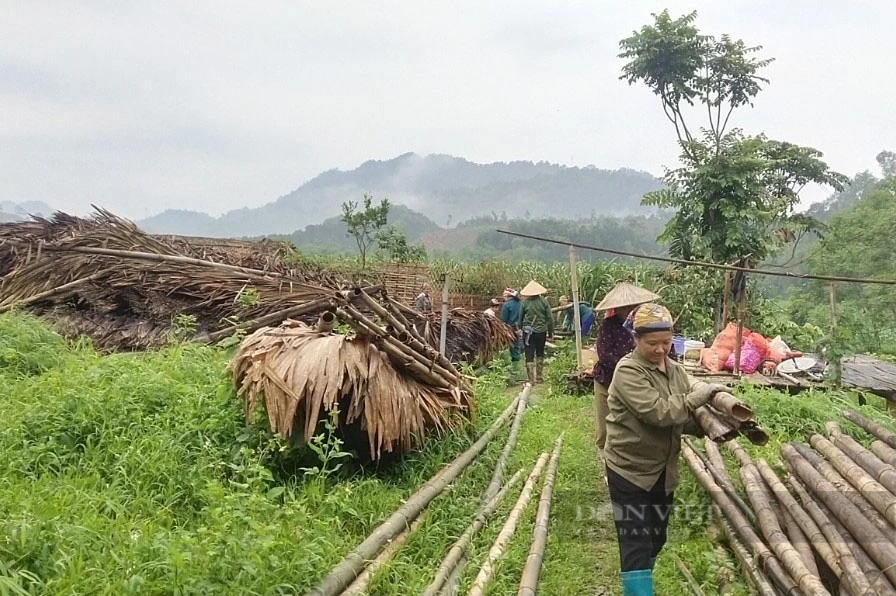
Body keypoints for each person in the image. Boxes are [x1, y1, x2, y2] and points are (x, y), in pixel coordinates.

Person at [604, 303, 726, 595]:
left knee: (656, 538)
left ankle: (641, 582)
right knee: (636, 542)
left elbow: (682, 418)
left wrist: (713, 426)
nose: (660, 350)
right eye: (652, 343)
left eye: (666, 343)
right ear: (636, 339)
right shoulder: (628, 371)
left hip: (663, 470)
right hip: (629, 469)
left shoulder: (675, 370)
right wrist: (699, 396)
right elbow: (660, 413)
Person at [592, 282, 660, 451]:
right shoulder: (609, 325)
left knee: (635, 426)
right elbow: (605, 354)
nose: (629, 310)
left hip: (641, 383)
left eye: (633, 306)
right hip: (608, 379)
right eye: (624, 307)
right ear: (616, 309)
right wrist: (630, 370)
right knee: (605, 428)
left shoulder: (648, 325)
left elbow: (664, 350)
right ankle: (606, 460)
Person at [519, 280, 553, 384]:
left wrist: (522, 329)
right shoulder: (544, 302)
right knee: (540, 352)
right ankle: (539, 376)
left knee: (529, 353)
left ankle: (531, 379)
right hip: (541, 332)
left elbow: (520, 319)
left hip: (528, 332)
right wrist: (550, 332)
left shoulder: (524, 302)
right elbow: (550, 318)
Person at [500, 288, 522, 369]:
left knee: (507, 348)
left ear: (509, 296)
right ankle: (517, 368)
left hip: (509, 329)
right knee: (516, 347)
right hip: (519, 329)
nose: (503, 297)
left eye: (504, 295)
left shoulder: (507, 305)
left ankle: (511, 368)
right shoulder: (520, 304)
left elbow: (503, 320)